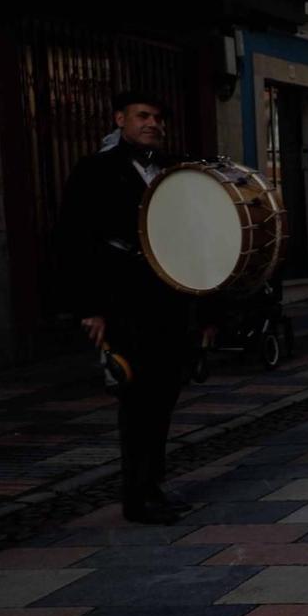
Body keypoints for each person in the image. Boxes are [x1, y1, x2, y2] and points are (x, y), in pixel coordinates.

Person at [56, 92, 195, 525]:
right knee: (136, 401)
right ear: (120, 119)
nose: (152, 123)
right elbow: (74, 241)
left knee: (164, 398)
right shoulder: (96, 170)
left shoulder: (174, 169)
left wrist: (206, 313)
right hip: (123, 303)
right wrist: (90, 309)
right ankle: (136, 499)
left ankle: (153, 485)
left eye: (157, 117)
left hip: (171, 302)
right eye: (142, 116)